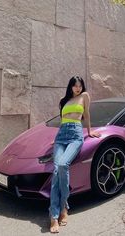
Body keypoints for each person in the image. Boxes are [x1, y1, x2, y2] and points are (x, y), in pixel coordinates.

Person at [49, 76, 100, 233]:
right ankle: (54, 216)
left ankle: (64, 205)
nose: (77, 88)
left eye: (80, 85)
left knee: (63, 165)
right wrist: (55, 139)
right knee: (56, 171)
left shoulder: (84, 96)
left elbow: (87, 115)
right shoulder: (63, 101)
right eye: (75, 85)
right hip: (61, 135)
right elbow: (62, 120)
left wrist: (90, 132)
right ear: (70, 86)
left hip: (76, 134)